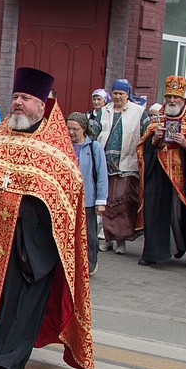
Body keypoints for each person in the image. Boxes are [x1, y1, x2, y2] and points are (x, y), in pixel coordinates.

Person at [0, 67, 94, 369]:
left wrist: (25, 214)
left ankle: (8, 361)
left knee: (20, 304)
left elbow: (67, 190)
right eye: (16, 96)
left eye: (26, 98)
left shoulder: (55, 146)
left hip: (28, 246)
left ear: (42, 104)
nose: (18, 103)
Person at [136, 75, 186, 267]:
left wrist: (185, 144)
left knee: (179, 213)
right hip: (158, 171)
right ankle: (151, 253)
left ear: (182, 98)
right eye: (168, 96)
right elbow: (143, 146)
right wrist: (154, 139)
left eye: (175, 98)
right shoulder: (158, 117)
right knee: (154, 211)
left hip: (181, 175)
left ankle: (181, 247)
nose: (171, 101)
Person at [97, 78, 147, 254]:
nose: (117, 97)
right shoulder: (103, 111)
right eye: (115, 93)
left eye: (121, 94)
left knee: (122, 202)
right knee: (107, 201)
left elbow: (146, 133)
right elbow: (94, 131)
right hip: (105, 163)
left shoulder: (139, 112)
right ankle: (107, 237)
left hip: (127, 164)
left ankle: (121, 240)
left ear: (128, 94)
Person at [67, 111, 107, 273]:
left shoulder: (94, 147)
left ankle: (90, 264)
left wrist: (101, 201)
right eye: (68, 129)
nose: (71, 132)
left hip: (88, 200)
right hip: (68, 199)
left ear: (83, 128)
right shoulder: (64, 146)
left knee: (89, 234)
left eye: (75, 129)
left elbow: (102, 174)